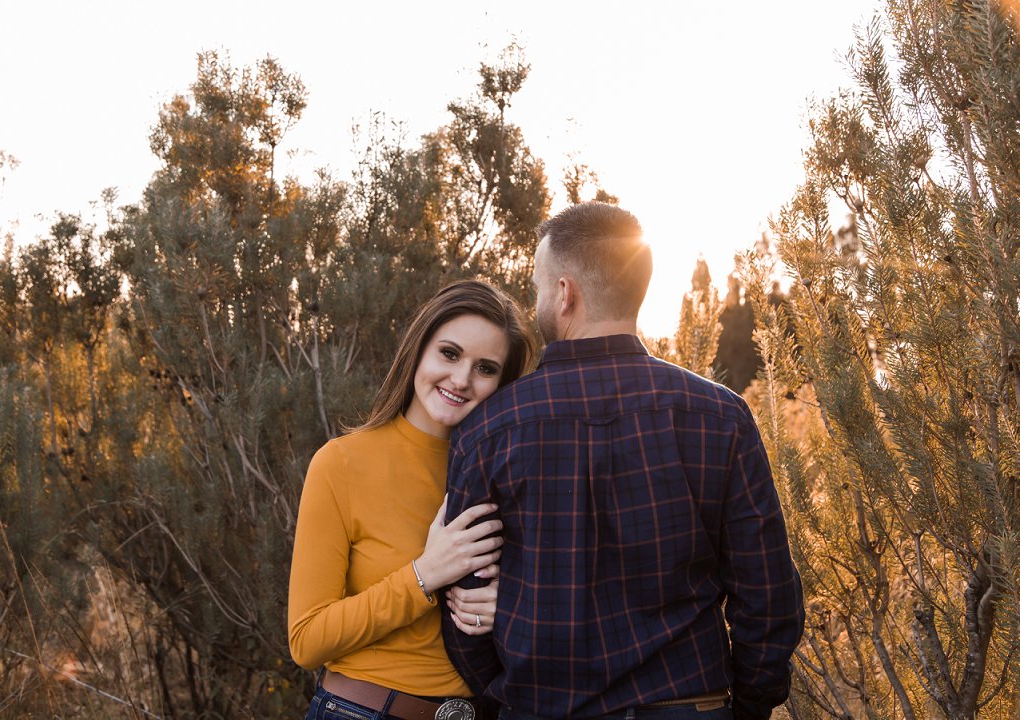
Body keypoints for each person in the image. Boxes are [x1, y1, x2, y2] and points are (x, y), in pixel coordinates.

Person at [441, 203, 805, 720]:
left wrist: (510, 694)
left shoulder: (486, 431)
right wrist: (743, 708)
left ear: (565, 294)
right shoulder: (720, 416)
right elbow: (767, 596)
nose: (539, 300)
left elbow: (465, 610)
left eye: (541, 287)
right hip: (690, 707)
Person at [289, 279, 535, 720]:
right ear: (419, 349)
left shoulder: (509, 476)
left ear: (504, 383)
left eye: (485, 368)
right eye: (450, 353)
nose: (461, 380)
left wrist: (508, 607)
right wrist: (424, 576)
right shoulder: (342, 464)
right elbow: (307, 640)